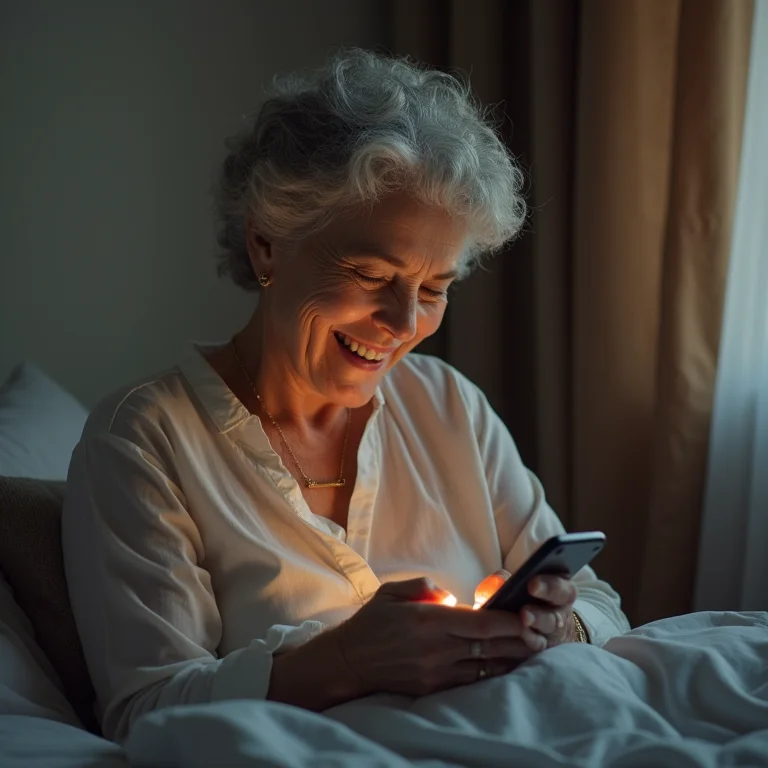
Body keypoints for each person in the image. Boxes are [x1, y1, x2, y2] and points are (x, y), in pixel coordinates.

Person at [62, 48, 630, 743]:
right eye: (369, 274)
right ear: (267, 245)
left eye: (433, 290)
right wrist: (349, 659)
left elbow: (599, 601)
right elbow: (145, 713)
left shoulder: (448, 404)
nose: (401, 324)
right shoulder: (144, 438)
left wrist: (558, 623)